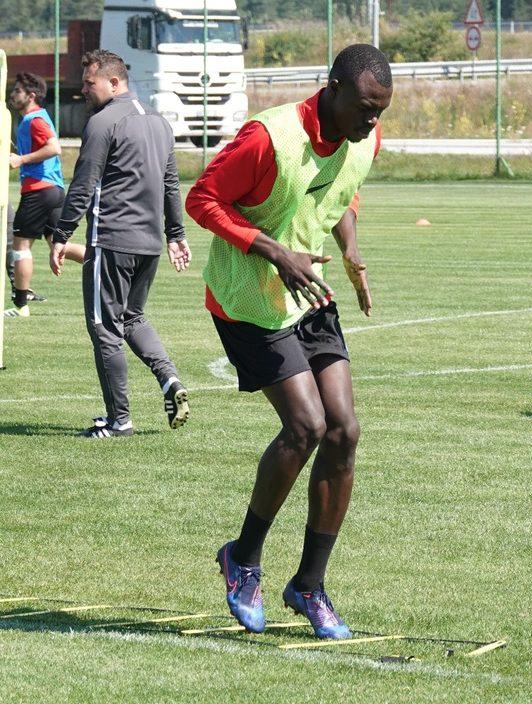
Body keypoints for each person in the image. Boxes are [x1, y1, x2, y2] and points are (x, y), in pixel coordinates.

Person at [186, 43, 393, 639]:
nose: (371, 121)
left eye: (380, 111)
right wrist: (275, 251)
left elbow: (342, 191)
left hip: (308, 289)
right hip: (247, 298)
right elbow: (201, 199)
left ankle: (308, 585)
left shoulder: (363, 139)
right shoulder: (268, 136)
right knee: (304, 426)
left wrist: (351, 248)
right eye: (363, 107)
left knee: (345, 430)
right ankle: (243, 557)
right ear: (331, 88)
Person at [50, 50, 192, 439]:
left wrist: (61, 236)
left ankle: (119, 421)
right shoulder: (160, 124)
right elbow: (170, 184)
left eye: (89, 83)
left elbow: (83, 185)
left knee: (104, 327)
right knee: (132, 318)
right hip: (148, 244)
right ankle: (169, 380)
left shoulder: (103, 122)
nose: (83, 90)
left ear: (114, 82)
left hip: (111, 240)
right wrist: (175, 234)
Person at [5, 72, 85, 318]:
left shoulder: (34, 120)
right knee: (58, 244)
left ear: (30, 96)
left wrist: (21, 159)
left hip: (39, 191)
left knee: (20, 246)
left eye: (17, 91)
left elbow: (54, 147)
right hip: (53, 191)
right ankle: (106, 263)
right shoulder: (32, 119)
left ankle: (22, 303)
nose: (12, 95)